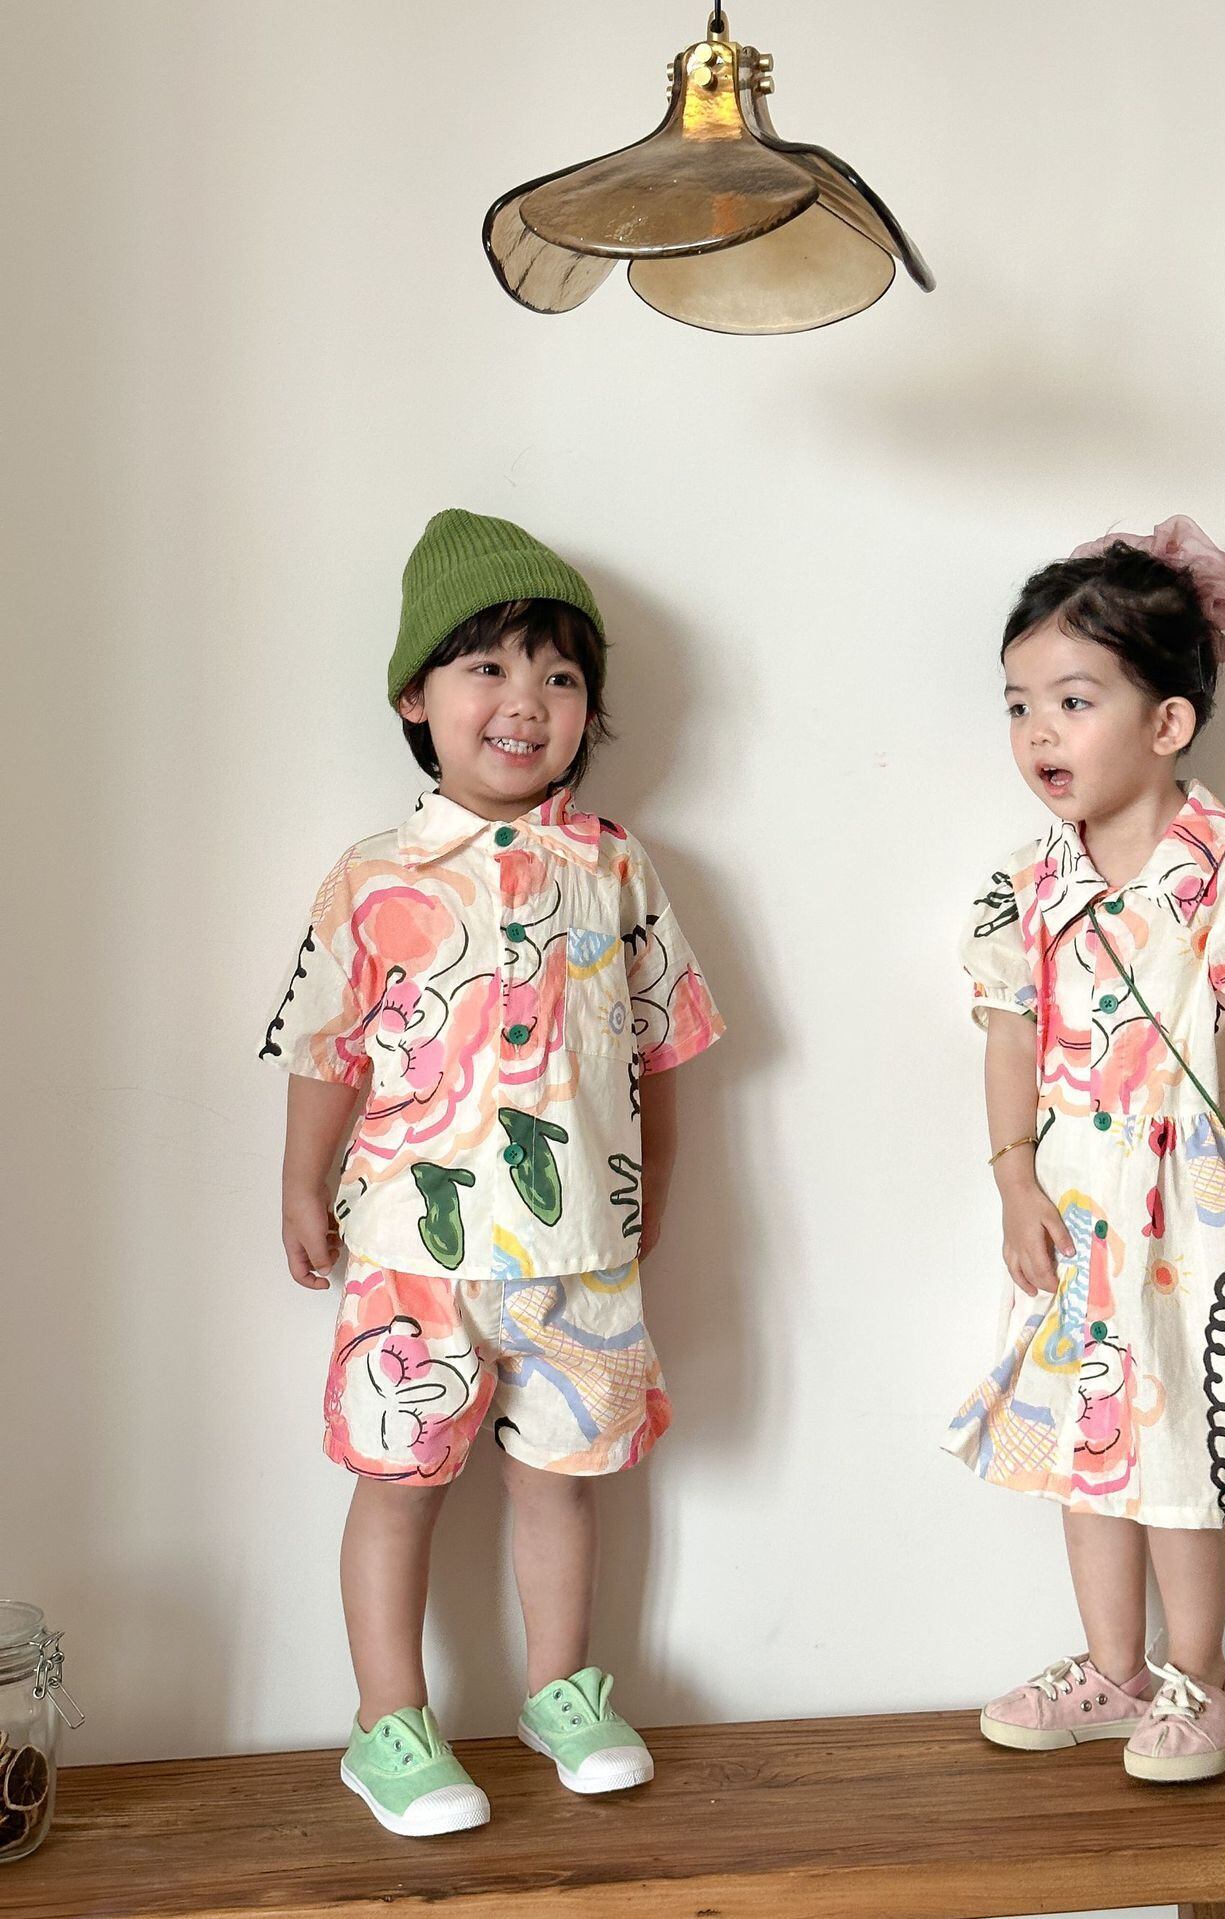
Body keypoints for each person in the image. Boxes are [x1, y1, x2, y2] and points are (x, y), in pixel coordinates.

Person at [260, 510, 724, 1833]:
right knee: (397, 1481)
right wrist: (299, 1185)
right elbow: (327, 1048)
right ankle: (386, 1721)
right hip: (411, 1249)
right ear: (417, 694)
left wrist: (654, 1187)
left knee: (561, 1482)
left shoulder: (617, 866)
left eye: (560, 675)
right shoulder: (375, 875)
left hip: (579, 1252)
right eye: (489, 666)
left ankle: (560, 1688)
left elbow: (662, 1047)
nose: (526, 699)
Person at [945, 516, 1225, 1782]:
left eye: (1074, 700)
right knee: (1089, 1439)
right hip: (1076, 1205)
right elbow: (1010, 1038)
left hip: (1193, 1212)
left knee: (1175, 1450)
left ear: (1167, 722)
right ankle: (1112, 1665)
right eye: (1020, 704)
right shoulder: (1025, 885)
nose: (1040, 732)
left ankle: (1199, 1675)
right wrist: (1014, 1178)